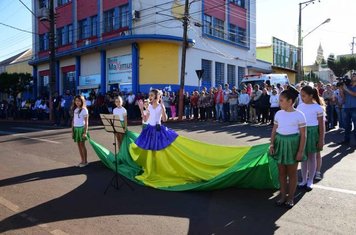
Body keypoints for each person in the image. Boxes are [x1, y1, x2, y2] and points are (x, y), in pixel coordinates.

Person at [269, 87, 307, 208]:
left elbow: (303, 135)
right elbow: (274, 130)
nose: (279, 102)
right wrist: (272, 144)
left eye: (281, 100)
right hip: (280, 144)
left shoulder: (300, 115)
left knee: (292, 173)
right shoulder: (278, 114)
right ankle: (282, 196)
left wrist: (300, 151)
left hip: (292, 145)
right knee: (281, 172)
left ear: (290, 101)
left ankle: (290, 197)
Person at [297, 86, 325, 191]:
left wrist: (321, 139)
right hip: (302, 133)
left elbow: (321, 126)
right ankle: (304, 179)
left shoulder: (318, 108)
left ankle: (310, 180)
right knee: (303, 158)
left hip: (313, 133)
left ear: (311, 95)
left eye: (304, 95)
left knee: (312, 157)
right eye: (301, 95)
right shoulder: (300, 107)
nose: (301, 97)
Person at [71, 95, 89, 167]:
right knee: (78, 145)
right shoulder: (75, 109)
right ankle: (82, 160)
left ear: (82, 101)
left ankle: (85, 161)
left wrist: (85, 132)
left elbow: (86, 122)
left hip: (81, 129)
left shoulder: (84, 110)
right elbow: (73, 121)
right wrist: (72, 131)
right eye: (76, 101)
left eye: (79, 101)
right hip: (76, 129)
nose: (77, 102)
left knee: (82, 145)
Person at [339, 74, 356, 145]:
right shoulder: (348, 86)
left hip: (355, 108)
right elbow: (343, 97)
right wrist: (341, 90)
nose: (352, 77)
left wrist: (345, 89)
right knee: (347, 125)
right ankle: (346, 140)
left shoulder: (348, 88)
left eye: (354, 76)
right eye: (352, 76)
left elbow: (354, 94)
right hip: (347, 107)